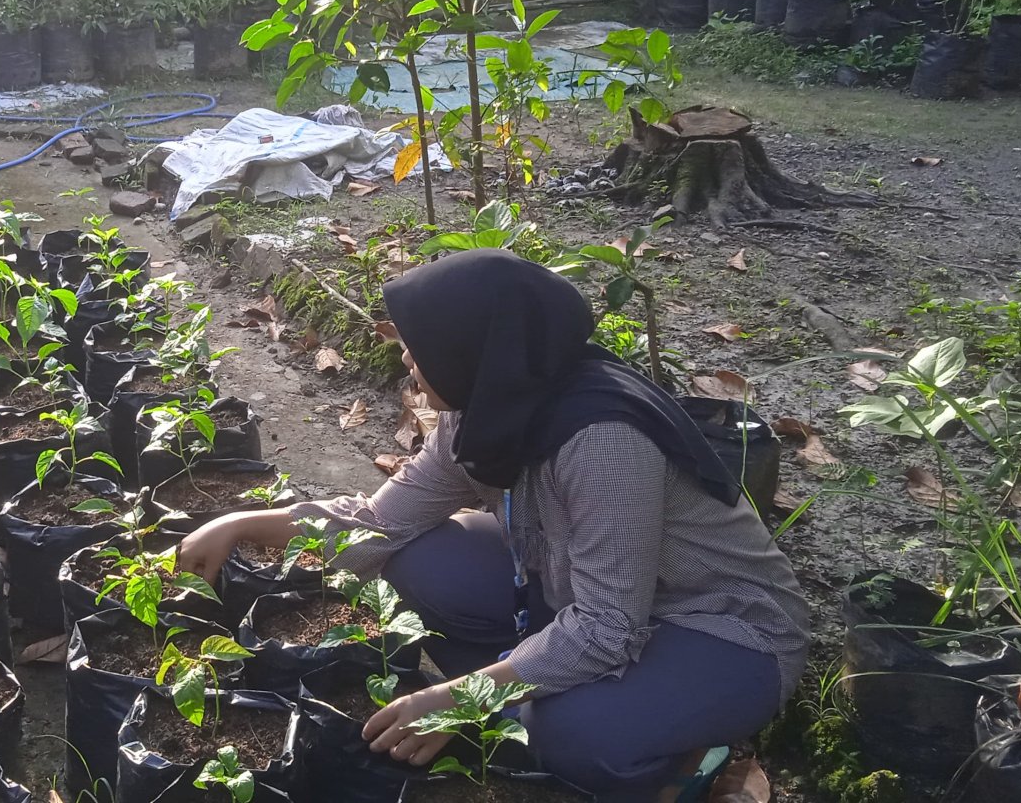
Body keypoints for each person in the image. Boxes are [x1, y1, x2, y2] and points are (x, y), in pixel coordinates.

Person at [179, 249, 811, 802]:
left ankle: (683, 761)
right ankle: (550, 683)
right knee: (419, 561)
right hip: (588, 594)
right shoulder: (487, 408)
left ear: (472, 347)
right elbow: (380, 523)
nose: (406, 363)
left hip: (718, 627)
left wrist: (461, 697)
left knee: (570, 736)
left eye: (414, 349)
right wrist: (241, 523)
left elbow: (608, 625)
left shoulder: (601, 440)